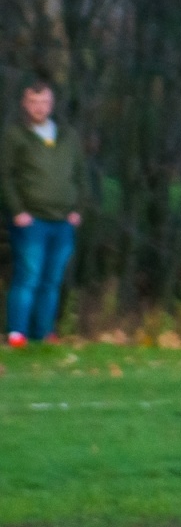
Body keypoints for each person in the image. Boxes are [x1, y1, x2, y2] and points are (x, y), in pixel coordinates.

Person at [2, 81, 87, 348]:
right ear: (25, 104)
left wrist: (78, 210)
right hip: (31, 221)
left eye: (44, 102)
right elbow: (5, 176)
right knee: (29, 276)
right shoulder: (15, 136)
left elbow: (81, 175)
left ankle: (44, 333)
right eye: (33, 102)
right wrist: (17, 210)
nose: (39, 107)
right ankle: (17, 333)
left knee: (52, 280)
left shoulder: (68, 136)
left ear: (52, 104)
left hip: (63, 222)